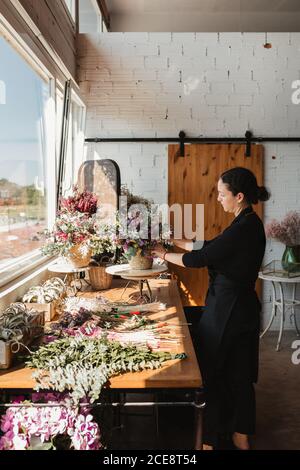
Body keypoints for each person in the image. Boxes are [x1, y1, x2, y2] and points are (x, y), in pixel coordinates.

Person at [152, 167, 270, 450]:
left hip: (227, 310)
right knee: (238, 374)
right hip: (241, 308)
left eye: (222, 194)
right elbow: (210, 245)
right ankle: (240, 434)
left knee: (212, 372)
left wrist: (162, 254)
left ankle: (209, 439)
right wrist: (173, 241)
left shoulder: (244, 227)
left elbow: (200, 258)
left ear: (238, 196)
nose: (218, 199)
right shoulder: (247, 222)